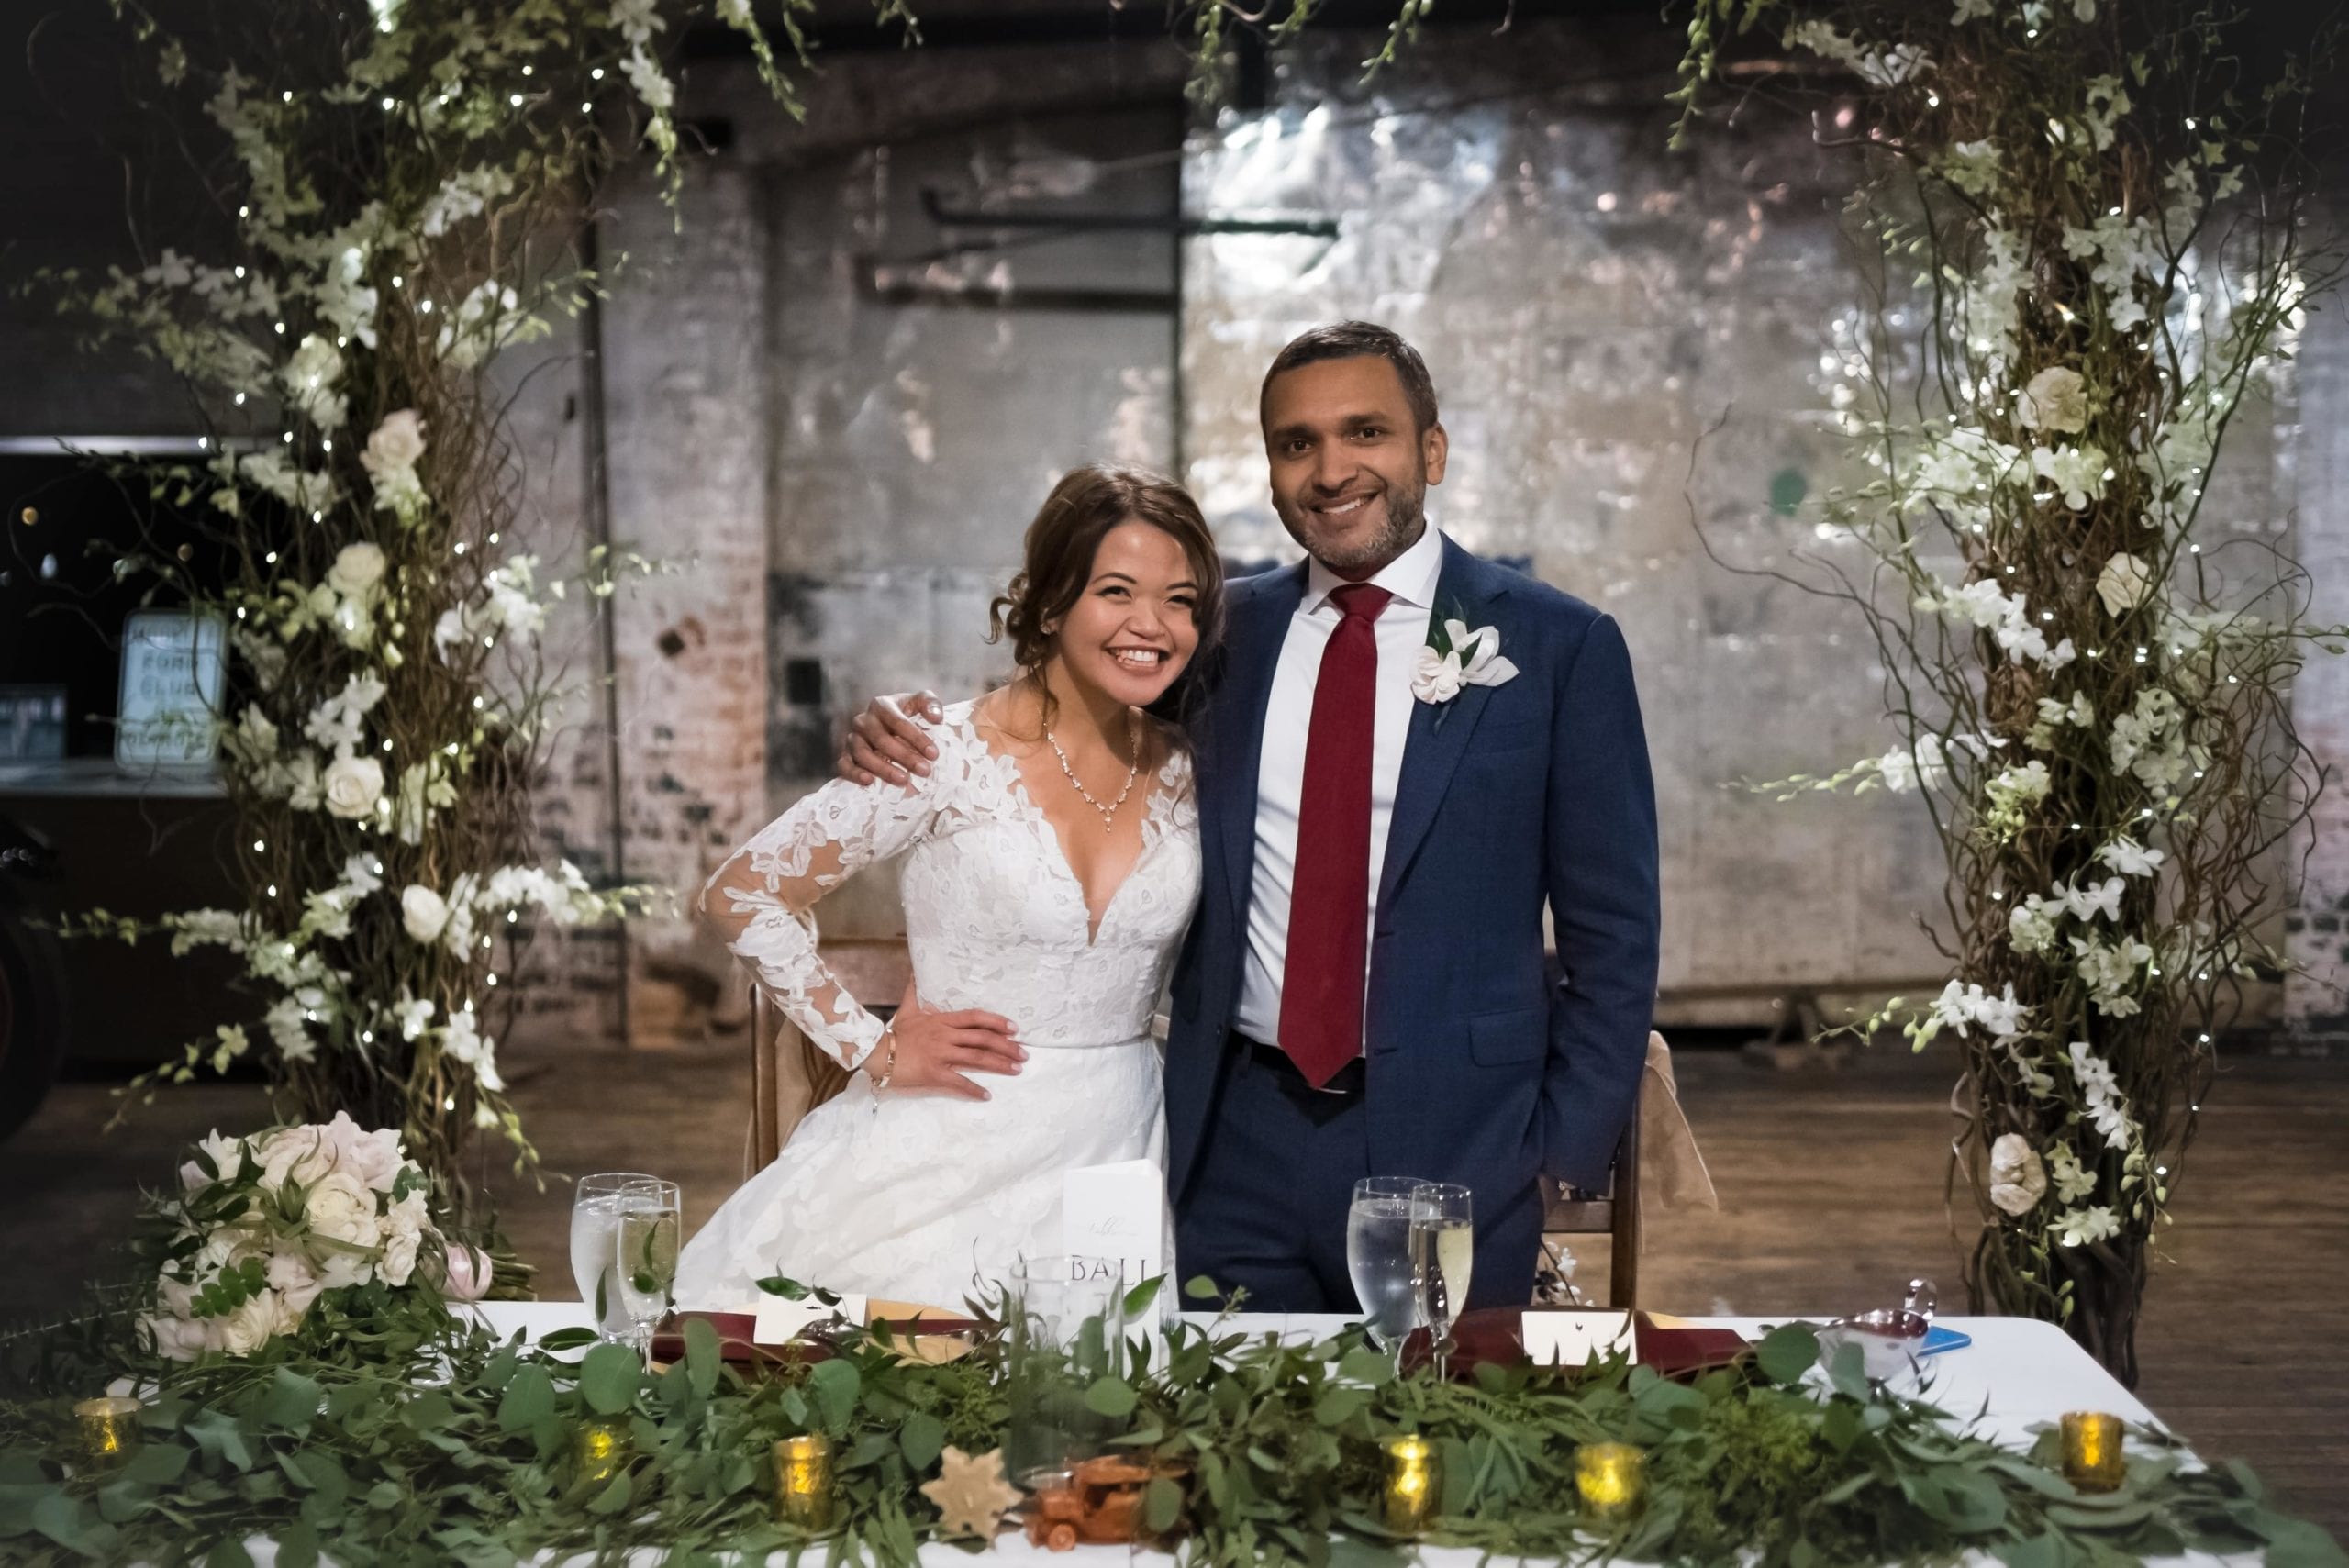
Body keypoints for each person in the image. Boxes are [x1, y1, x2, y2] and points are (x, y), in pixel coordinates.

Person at [841, 322, 1661, 1313]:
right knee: (1231, 1444)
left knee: (1440, 1442)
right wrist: (913, 729)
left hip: (1460, 1149)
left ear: (1430, 451)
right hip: (1233, 1145)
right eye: (1295, 442)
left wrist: (1559, 1149)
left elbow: (1613, 931)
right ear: (1271, 470)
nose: (1330, 469)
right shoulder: (1220, 631)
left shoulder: (1558, 646)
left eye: (1366, 432)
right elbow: (1071, 717)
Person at [674, 463, 1223, 1311]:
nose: (1151, 624)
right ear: (1049, 605)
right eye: (1117, 591)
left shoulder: (1190, 770)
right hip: (942, 1145)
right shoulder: (936, 754)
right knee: (886, 1400)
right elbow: (738, 894)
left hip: (1113, 1156)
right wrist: (873, 1044)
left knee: (1096, 1416)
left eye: (1181, 600)